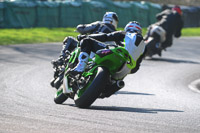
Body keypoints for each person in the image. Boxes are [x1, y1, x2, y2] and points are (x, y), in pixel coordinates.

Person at [51, 12, 119, 87]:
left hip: (87, 45)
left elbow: (81, 28)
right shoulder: (116, 32)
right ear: (115, 21)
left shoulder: (98, 24)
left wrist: (84, 33)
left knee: (69, 39)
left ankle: (61, 60)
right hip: (101, 51)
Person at [68, 21, 146, 79]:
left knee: (86, 41)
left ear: (127, 28)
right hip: (127, 69)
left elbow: (105, 37)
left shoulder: (124, 34)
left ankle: (81, 67)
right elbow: (137, 66)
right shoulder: (143, 46)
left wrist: (85, 37)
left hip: (117, 54)